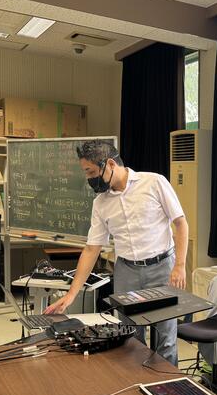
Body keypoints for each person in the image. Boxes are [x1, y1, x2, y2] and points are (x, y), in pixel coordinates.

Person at [45, 140, 188, 366]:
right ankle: (136, 383)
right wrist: (71, 294)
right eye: (86, 173)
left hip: (162, 267)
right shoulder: (100, 203)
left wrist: (180, 265)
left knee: (166, 339)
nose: (89, 179)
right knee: (131, 335)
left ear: (110, 164)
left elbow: (180, 223)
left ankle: (170, 384)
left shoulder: (154, 182)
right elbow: (92, 248)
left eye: (91, 172)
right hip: (127, 271)